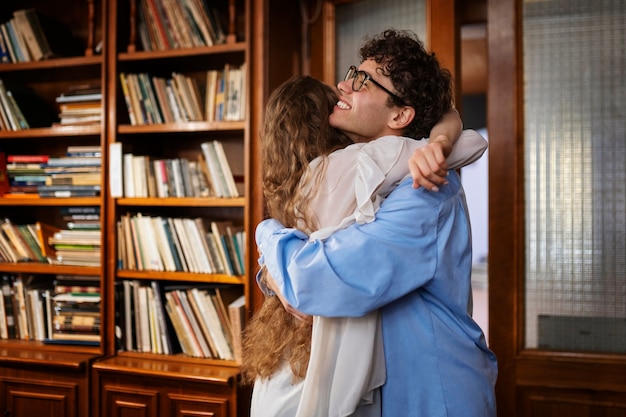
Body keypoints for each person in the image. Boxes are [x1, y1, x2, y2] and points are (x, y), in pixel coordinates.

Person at [254, 29, 498, 417]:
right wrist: (269, 269)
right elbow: (311, 243)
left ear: (400, 115)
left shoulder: (424, 190)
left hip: (434, 395)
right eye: (353, 72)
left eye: (363, 80)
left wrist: (266, 235)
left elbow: (317, 279)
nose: (344, 85)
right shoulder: (367, 175)